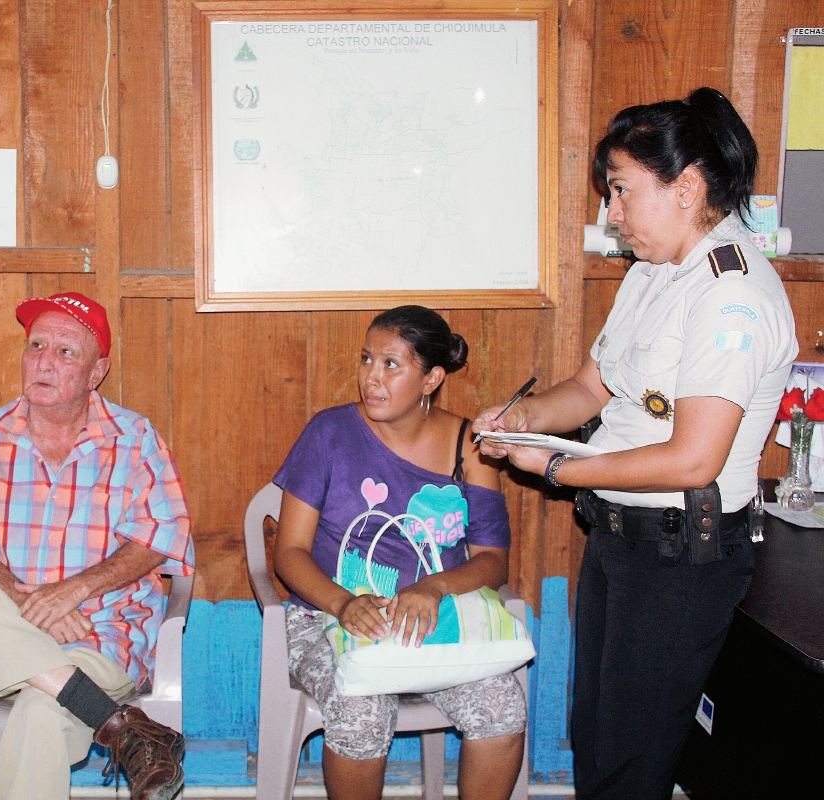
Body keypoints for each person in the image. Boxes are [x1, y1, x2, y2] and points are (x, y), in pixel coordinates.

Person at [475, 87, 797, 800]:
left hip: (680, 554)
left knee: (631, 760)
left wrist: (556, 465)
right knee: (597, 736)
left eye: (621, 192)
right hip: (621, 538)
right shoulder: (652, 273)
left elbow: (692, 459)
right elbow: (593, 388)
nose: (611, 215)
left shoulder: (731, 294)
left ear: (686, 188)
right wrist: (525, 418)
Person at [0, 291, 195, 800]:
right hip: (4, 629)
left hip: (101, 635)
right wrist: (31, 604)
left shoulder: (134, 439)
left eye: (65, 352)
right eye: (36, 345)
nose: (43, 361)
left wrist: (72, 591)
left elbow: (161, 537)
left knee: (42, 712)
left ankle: (88, 704)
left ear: (97, 372)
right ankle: (120, 724)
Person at [272, 306, 526, 800]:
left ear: (431, 378)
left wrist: (431, 588)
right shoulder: (329, 433)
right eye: (367, 359)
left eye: (392, 364)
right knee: (362, 710)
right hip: (325, 616)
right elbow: (290, 551)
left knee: (501, 706)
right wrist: (344, 604)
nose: (372, 377)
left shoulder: (469, 446)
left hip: (433, 618)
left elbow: (493, 559)